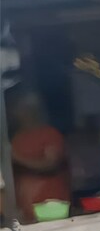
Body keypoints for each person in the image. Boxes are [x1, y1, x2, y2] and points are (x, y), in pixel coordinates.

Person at [10, 91, 69, 223]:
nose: (16, 113)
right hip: (25, 208)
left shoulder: (49, 133)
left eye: (20, 108)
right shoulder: (18, 137)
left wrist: (16, 158)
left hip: (50, 206)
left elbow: (50, 165)